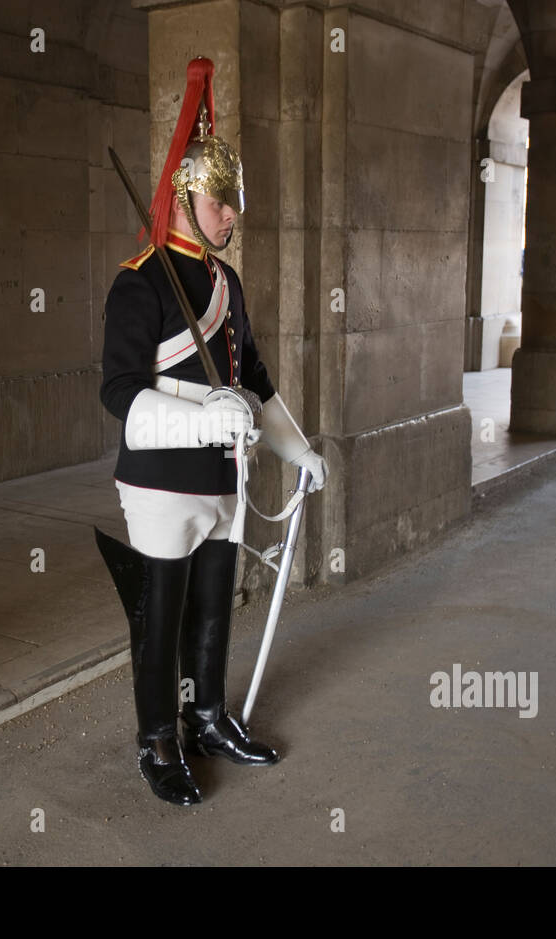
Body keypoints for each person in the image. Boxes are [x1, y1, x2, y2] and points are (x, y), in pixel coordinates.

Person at [94, 57, 328, 807]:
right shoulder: (139, 281)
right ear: (186, 197)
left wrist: (298, 449)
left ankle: (208, 715)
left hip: (227, 478)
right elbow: (119, 392)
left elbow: (255, 379)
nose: (232, 215)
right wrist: (201, 417)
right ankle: (157, 741)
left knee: (215, 604)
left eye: (233, 201)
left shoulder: (225, 285)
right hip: (162, 483)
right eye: (220, 201)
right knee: (160, 616)